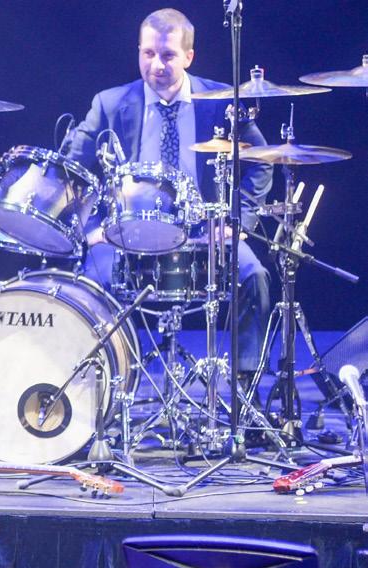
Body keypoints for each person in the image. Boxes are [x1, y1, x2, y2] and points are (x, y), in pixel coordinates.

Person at [64, 8, 273, 389]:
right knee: (92, 283)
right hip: (127, 232)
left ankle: (245, 389)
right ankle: (103, 391)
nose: (156, 65)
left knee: (253, 276)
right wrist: (90, 228)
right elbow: (72, 172)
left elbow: (262, 162)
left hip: (202, 230)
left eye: (168, 55)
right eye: (148, 53)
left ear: (189, 56)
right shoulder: (109, 103)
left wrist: (237, 220)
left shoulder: (221, 101)